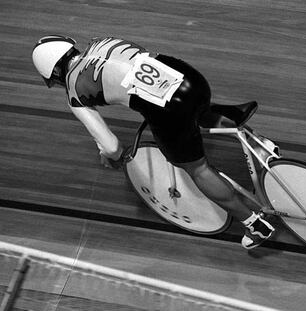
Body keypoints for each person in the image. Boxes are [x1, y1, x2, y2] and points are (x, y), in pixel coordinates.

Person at [32, 35, 275, 249]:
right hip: (190, 78)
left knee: (197, 168)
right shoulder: (99, 41)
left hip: (169, 108)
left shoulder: (75, 93)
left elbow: (112, 147)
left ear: (53, 73)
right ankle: (260, 148)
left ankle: (254, 224)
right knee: (198, 109)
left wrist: (111, 157)